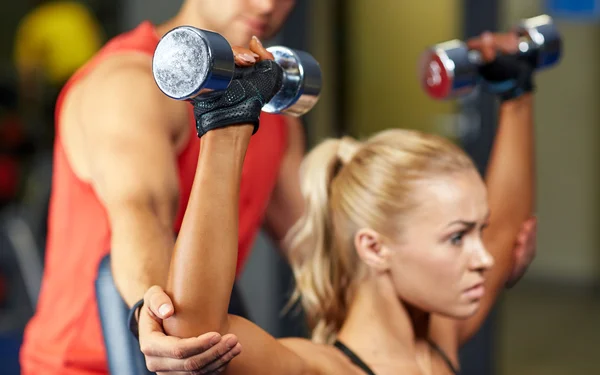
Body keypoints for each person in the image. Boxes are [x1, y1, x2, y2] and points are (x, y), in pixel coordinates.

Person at [155, 31, 538, 374]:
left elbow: (504, 228)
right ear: (374, 247)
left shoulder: (438, 342)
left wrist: (514, 92)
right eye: (457, 238)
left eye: (477, 232)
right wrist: (228, 121)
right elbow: (194, 333)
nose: (484, 258)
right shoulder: (319, 369)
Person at [19, 1, 305, 375]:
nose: (267, 4)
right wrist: (157, 315)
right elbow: (146, 217)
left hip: (200, 358)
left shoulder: (271, 112)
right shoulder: (129, 83)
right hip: (83, 365)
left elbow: (315, 246)